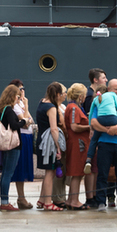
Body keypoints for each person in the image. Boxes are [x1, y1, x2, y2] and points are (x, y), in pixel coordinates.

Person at [90, 79, 117, 212]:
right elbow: (93, 122)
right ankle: (101, 202)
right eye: (116, 89)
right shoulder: (100, 103)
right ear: (109, 90)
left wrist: (115, 128)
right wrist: (108, 131)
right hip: (104, 144)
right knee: (102, 174)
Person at [84, 90, 117, 172]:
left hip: (100, 120)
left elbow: (91, 113)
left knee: (94, 138)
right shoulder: (113, 95)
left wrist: (92, 128)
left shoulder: (96, 99)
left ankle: (88, 159)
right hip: (112, 119)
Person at [0, 84, 29, 211]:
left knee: (5, 173)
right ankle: (5, 202)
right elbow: (14, 125)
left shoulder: (1, 109)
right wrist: (24, 122)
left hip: (6, 144)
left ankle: (4, 201)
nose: (18, 98)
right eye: (17, 96)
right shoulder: (9, 109)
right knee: (8, 174)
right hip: (13, 145)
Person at [36, 82, 65, 211]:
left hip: (41, 139)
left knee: (48, 171)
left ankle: (42, 199)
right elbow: (54, 129)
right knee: (50, 171)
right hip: (49, 143)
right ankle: (48, 202)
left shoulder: (41, 102)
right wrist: (58, 146)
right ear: (58, 94)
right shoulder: (51, 107)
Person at [64, 83, 92, 210]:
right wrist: (89, 126)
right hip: (78, 143)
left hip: (78, 142)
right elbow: (74, 126)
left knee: (77, 172)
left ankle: (71, 199)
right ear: (80, 96)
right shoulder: (74, 108)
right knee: (77, 172)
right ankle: (74, 200)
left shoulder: (72, 107)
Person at [9, 79, 35, 210]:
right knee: (19, 167)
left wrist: (26, 107)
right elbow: (25, 121)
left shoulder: (21, 104)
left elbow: (31, 119)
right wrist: (26, 107)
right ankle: (20, 197)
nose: (22, 91)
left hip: (27, 136)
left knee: (24, 167)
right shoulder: (14, 105)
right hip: (21, 136)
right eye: (20, 89)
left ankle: (21, 197)